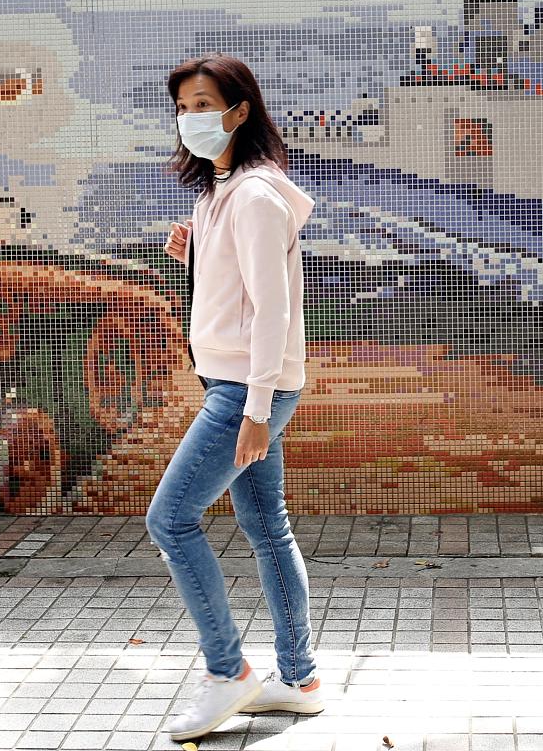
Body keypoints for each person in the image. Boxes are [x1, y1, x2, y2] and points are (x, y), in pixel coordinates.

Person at [145, 54, 323, 742]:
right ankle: (299, 680)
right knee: (267, 526)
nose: (189, 119)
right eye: (182, 108)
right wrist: (196, 256)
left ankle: (228, 673)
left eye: (202, 105)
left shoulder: (251, 196)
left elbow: (274, 310)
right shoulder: (220, 192)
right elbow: (244, 290)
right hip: (242, 382)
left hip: (248, 388)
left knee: (171, 520)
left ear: (239, 111)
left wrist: (255, 412)